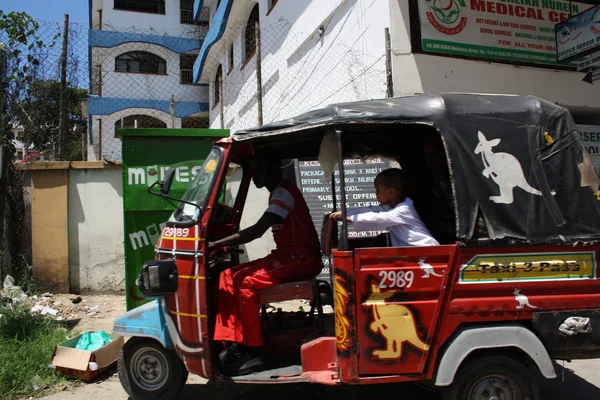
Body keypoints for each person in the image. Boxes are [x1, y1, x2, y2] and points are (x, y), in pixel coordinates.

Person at [208, 147, 322, 376]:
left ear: (273, 169)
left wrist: (212, 244)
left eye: (259, 169)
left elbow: (259, 230)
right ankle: (234, 339)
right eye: (253, 169)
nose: (255, 175)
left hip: (303, 257)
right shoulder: (277, 192)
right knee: (227, 276)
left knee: (247, 282)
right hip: (287, 255)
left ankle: (254, 349)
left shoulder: (283, 193)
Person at [330, 168, 439, 247]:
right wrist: (345, 213)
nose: (376, 194)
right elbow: (370, 210)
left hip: (427, 252)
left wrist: (349, 219)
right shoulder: (391, 207)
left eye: (378, 190)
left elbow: (378, 218)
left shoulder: (404, 209)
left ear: (391, 192)